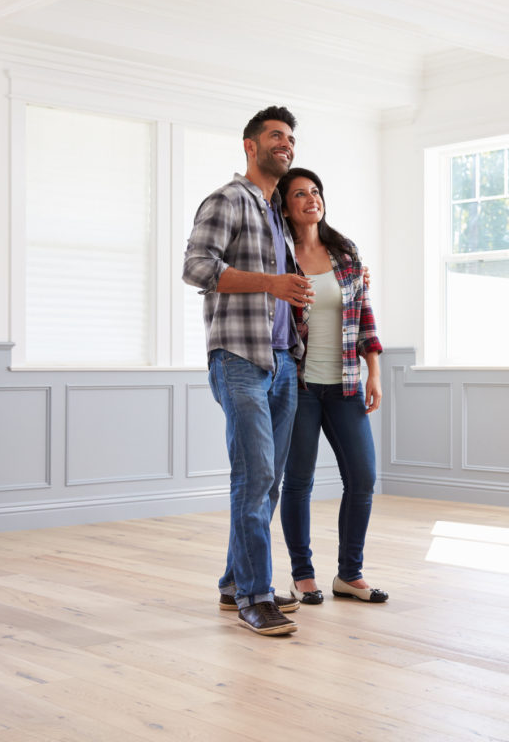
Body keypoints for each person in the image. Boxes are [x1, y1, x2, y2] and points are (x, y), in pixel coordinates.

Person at [182, 106, 316, 636]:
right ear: (249, 145)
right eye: (276, 137)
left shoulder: (276, 214)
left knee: (270, 482)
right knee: (254, 477)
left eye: (291, 139)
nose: (286, 144)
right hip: (239, 359)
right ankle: (256, 598)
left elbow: (305, 260)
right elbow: (196, 268)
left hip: (283, 362)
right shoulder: (227, 199)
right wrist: (269, 283)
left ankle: (235, 582)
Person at [277, 167, 389, 605]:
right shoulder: (280, 256)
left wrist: (373, 370)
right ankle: (302, 575)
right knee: (298, 482)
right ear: (285, 206)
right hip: (300, 386)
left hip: (345, 384)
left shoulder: (345, 252)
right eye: (300, 194)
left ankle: (349, 574)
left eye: (316, 192)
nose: (311, 199)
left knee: (362, 478)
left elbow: (364, 314)